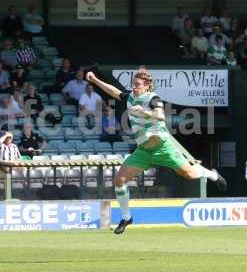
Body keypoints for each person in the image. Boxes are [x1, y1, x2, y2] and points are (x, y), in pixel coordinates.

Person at [85, 68, 227, 234]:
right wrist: (95, 80)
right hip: (144, 151)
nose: (134, 87)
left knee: (189, 175)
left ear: (146, 86)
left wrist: (142, 111)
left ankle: (212, 175)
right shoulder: (130, 97)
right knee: (119, 180)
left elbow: (160, 116)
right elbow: (114, 91)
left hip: (162, 147)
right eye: (133, 84)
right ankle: (126, 217)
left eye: (137, 84)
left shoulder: (153, 98)